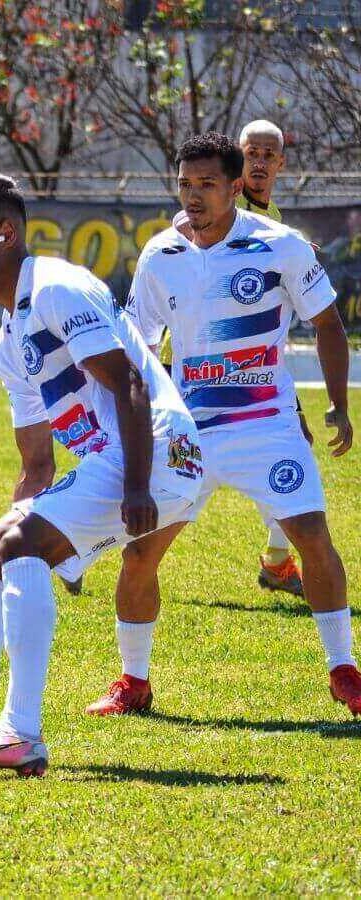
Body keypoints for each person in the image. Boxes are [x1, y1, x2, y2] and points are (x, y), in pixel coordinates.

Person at [0, 174, 203, 776]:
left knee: (20, 544)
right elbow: (37, 463)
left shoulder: (55, 289)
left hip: (159, 455)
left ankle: (21, 733)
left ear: (6, 233)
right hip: (117, 466)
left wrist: (138, 487)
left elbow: (132, 384)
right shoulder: (11, 335)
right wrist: (32, 523)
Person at [84, 132, 360, 718]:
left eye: (207, 184)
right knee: (139, 554)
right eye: (185, 184)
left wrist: (337, 404)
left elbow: (329, 324)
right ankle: (133, 681)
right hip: (188, 435)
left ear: (236, 186)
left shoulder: (279, 245)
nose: (193, 195)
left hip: (267, 426)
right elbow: (136, 346)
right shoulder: (160, 255)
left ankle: (344, 672)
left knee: (312, 536)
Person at [56, 117, 309, 598]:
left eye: (267, 154)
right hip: (185, 371)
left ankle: (278, 560)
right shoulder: (195, 215)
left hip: (249, 373)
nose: (258, 161)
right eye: (250, 151)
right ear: (237, 161)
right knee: (155, 478)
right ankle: (79, 547)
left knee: (277, 456)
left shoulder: (275, 225)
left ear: (279, 163)